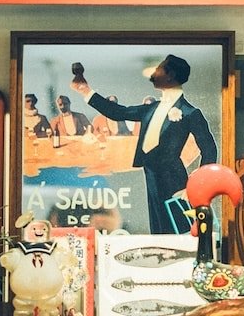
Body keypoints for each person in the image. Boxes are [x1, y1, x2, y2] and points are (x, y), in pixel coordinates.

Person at [72, 54, 217, 235]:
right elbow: (118, 112)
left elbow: (209, 148)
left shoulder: (190, 113)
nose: (153, 75)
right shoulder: (152, 108)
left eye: (159, 70)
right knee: (158, 224)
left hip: (172, 175)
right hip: (151, 172)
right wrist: (86, 91)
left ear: (170, 75)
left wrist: (197, 185)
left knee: (178, 225)